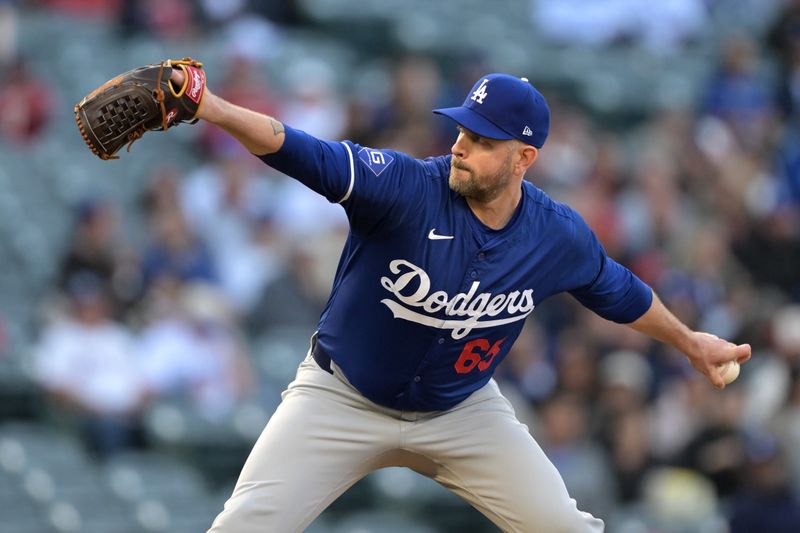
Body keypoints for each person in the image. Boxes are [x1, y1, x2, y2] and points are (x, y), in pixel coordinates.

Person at [169, 67, 751, 532]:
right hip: (340, 398)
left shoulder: (555, 234)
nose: (459, 147)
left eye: (480, 139)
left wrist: (689, 341)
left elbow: (619, 291)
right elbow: (304, 152)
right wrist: (212, 107)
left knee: (564, 527)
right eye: (460, 131)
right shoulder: (407, 188)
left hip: (462, 413)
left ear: (524, 158)